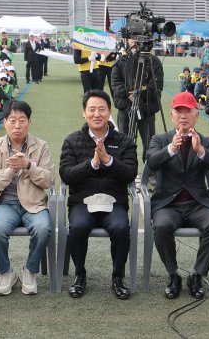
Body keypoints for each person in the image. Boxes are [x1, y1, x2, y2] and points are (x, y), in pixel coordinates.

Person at [145, 92, 209, 299]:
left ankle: (197, 275)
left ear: (196, 115)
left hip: (197, 203)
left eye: (188, 111)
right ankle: (173, 275)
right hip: (167, 204)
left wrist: (200, 151)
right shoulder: (160, 139)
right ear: (171, 115)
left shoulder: (206, 140)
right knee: (161, 226)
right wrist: (171, 148)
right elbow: (151, 162)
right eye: (178, 111)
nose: (183, 116)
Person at [59, 90, 138, 299]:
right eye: (91, 109)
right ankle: (80, 274)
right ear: (84, 113)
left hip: (114, 203)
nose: (97, 114)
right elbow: (66, 174)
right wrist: (92, 164)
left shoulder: (125, 141)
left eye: (101, 109)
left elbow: (130, 173)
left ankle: (118, 277)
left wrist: (109, 161)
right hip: (82, 202)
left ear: (109, 112)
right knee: (77, 227)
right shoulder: (72, 141)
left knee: (121, 228)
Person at [0, 100, 55, 296]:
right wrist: (9, 171)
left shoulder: (41, 146)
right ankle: (6, 271)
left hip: (33, 202)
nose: (17, 125)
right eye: (12, 120)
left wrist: (28, 166)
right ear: (4, 122)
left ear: (29, 122)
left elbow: (48, 179)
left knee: (42, 228)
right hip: (4, 203)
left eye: (22, 120)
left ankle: (29, 270)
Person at [111, 41, 163, 160]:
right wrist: (132, 92)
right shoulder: (121, 61)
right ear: (128, 39)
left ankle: (149, 171)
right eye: (132, 37)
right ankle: (125, 169)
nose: (135, 41)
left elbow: (157, 87)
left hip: (147, 109)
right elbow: (115, 85)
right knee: (123, 143)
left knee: (150, 144)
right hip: (125, 108)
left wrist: (140, 94)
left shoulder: (153, 61)